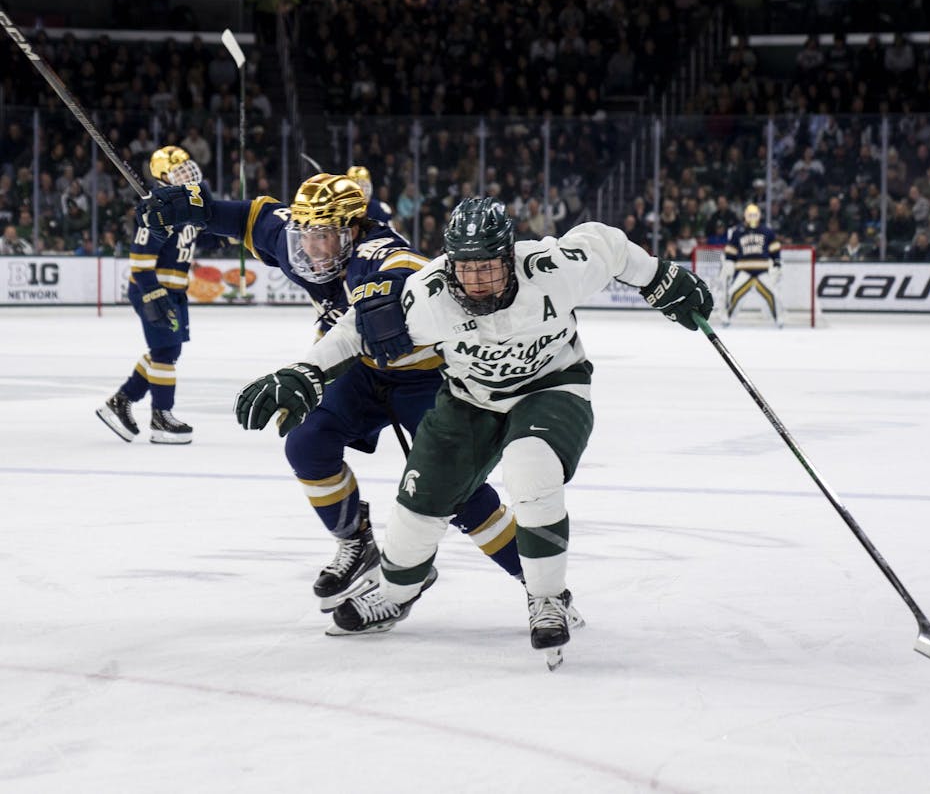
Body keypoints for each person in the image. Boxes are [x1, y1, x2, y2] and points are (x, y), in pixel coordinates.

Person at [228, 196, 713, 668]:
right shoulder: (430, 293)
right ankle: (396, 594)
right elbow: (359, 326)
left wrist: (659, 277)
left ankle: (547, 598)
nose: (477, 279)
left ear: (509, 256)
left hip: (551, 387)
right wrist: (305, 371)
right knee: (417, 511)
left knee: (531, 468)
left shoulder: (552, 268)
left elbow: (605, 245)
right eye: (466, 266)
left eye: (489, 266)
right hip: (468, 399)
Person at [137, 174, 529, 631]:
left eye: (326, 236)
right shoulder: (297, 237)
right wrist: (191, 207)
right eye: (307, 236)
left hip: (426, 378)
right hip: (361, 371)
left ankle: (540, 585)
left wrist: (379, 306)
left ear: (354, 228)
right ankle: (357, 543)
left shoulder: (378, 253)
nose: (314, 249)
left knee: (460, 493)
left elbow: (405, 270)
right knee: (306, 443)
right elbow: (246, 217)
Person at [96, 146, 206, 445]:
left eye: (187, 167)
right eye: (178, 171)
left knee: (168, 352)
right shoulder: (158, 207)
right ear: (162, 177)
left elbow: (201, 236)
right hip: (154, 288)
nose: (187, 174)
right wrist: (153, 294)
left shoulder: (188, 204)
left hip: (174, 290)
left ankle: (120, 402)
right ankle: (161, 416)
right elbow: (141, 259)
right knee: (165, 354)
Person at [719, 203, 783, 327]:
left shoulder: (767, 231)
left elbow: (775, 249)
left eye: (755, 215)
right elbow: (731, 250)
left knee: (772, 295)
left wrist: (777, 264)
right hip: (744, 270)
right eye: (750, 215)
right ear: (745, 216)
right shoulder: (738, 231)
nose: (753, 217)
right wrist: (729, 263)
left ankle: (778, 318)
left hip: (762, 270)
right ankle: (727, 317)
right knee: (733, 293)